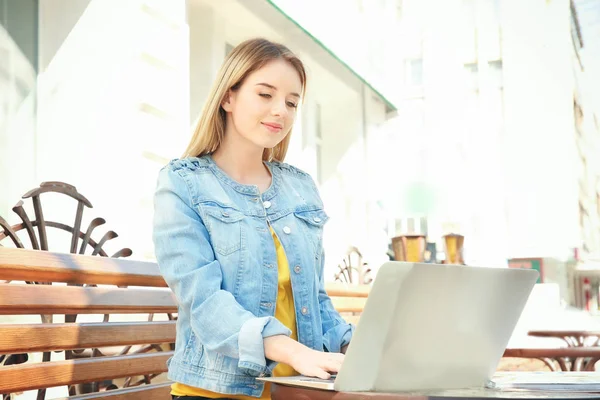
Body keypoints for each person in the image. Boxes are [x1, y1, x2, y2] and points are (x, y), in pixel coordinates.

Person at [152, 38, 354, 400]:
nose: (281, 111)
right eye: (265, 95)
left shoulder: (300, 187)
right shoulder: (182, 183)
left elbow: (314, 300)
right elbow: (203, 301)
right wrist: (295, 353)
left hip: (299, 386)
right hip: (218, 390)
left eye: (292, 102)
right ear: (228, 98)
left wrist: (355, 345)